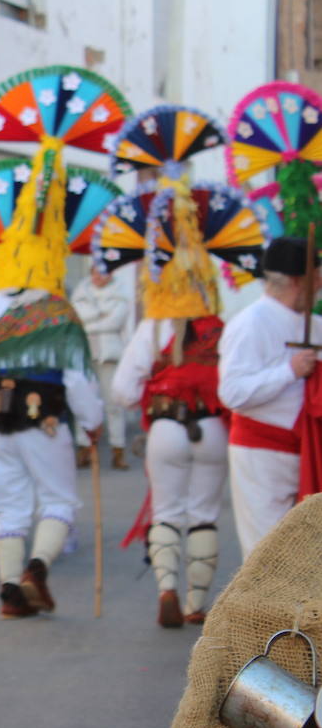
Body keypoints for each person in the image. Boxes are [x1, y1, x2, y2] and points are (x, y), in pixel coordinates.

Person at [0, 198, 103, 618]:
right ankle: (36, 570)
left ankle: (9, 590)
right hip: (45, 420)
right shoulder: (57, 307)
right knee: (58, 500)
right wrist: (92, 423)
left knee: (7, 504)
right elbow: (78, 375)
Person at [109, 207, 227, 627]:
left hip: (164, 427)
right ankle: (197, 604)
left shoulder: (154, 328)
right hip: (211, 427)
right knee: (204, 514)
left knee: (167, 510)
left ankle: (166, 589)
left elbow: (122, 390)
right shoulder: (222, 327)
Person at [218, 236, 322, 557]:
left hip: (308, 450)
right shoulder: (250, 323)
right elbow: (232, 392)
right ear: (297, 280)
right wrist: (288, 371)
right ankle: (265, 610)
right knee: (268, 555)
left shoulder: (317, 325)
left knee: (306, 557)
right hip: (261, 455)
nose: (319, 286)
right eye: (316, 277)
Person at [71, 267, 133, 469]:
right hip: (87, 354)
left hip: (110, 355)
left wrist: (92, 320)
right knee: (85, 400)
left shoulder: (120, 293)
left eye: (102, 273)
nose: (98, 277)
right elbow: (78, 319)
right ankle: (84, 446)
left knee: (113, 404)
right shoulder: (81, 293)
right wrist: (101, 316)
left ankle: (118, 448)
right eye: (95, 273)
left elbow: (116, 321)